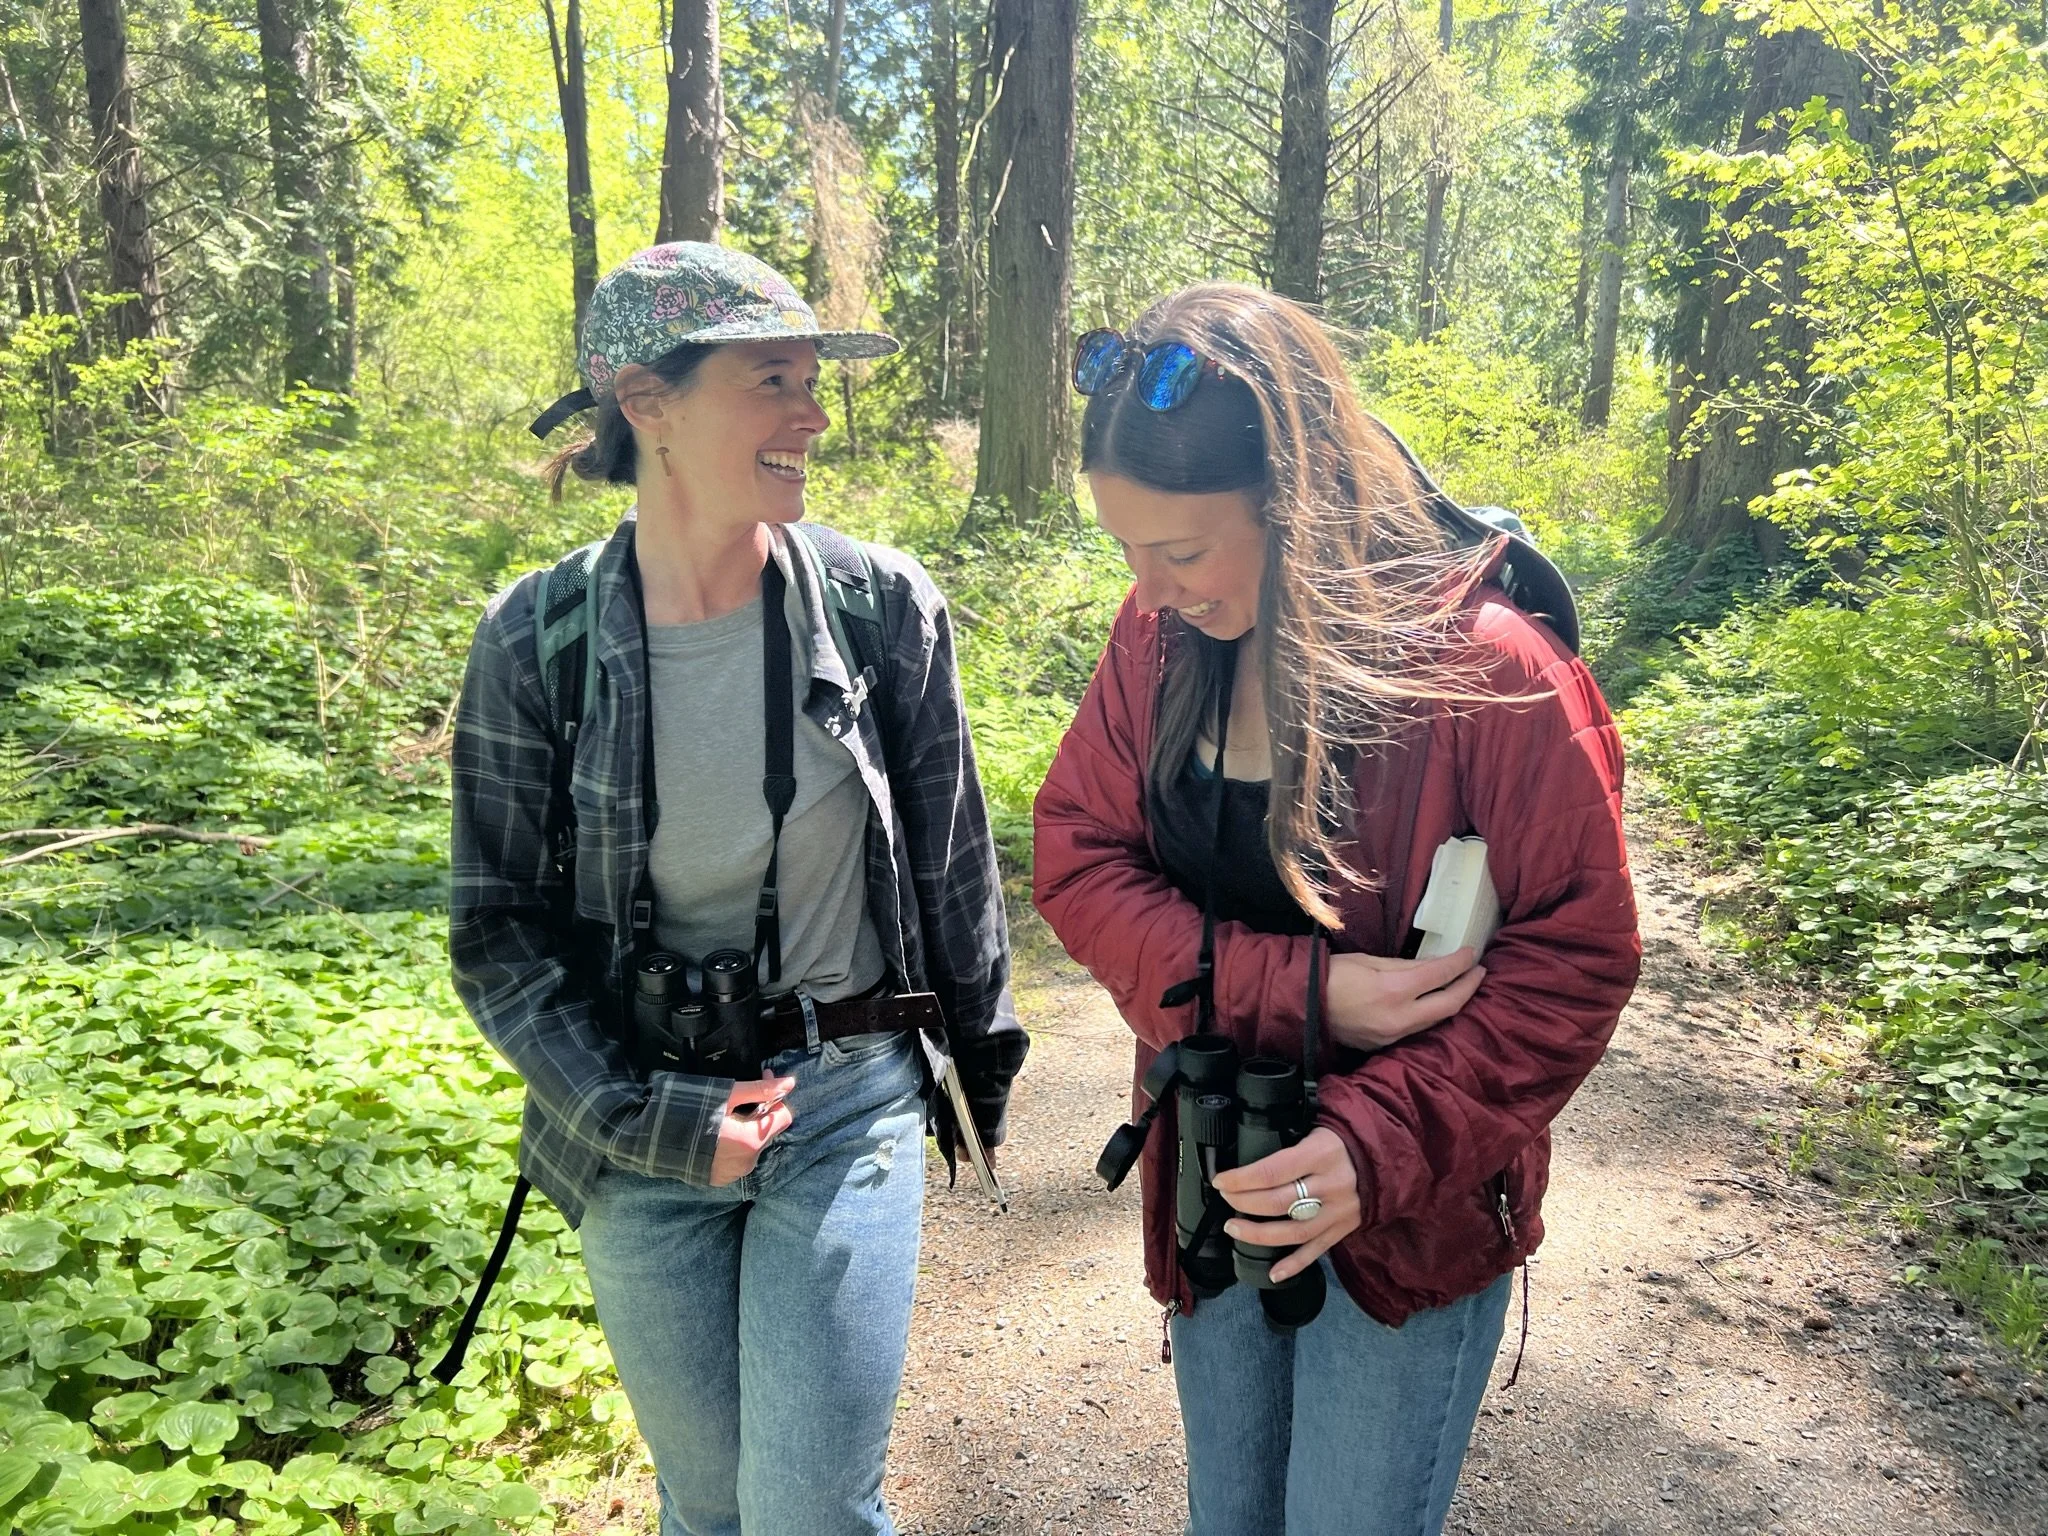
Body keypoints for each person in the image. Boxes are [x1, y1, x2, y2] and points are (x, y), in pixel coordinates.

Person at [1032, 282, 1639, 1536]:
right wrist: (1303, 995)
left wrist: (1373, 1147)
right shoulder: (1156, 645)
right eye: (1125, 551)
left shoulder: (1489, 667)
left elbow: (1574, 959)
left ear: (1295, 500)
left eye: (1181, 552)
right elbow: (1079, 859)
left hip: (1409, 1217)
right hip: (1214, 1167)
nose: (1149, 590)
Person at [449, 242, 1026, 1536]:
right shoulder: (536, 641)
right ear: (646, 402)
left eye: (813, 381)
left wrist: (978, 1082)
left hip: (846, 1098)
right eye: (773, 380)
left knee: (807, 1509)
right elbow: (498, 938)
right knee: (708, 1507)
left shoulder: (879, 608)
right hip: (638, 1117)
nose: (813, 415)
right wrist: (645, 1121)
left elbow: (954, 876)